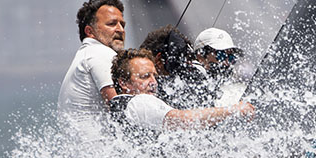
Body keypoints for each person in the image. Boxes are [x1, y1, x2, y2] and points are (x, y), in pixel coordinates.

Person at [108, 48, 254, 133]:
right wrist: (233, 110)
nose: (153, 82)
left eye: (154, 76)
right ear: (124, 83)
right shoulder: (139, 102)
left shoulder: (119, 106)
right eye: (145, 77)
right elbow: (183, 120)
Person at [58, 0, 126, 124]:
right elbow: (117, 106)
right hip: (98, 143)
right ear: (90, 31)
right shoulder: (98, 52)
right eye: (112, 24)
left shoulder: (86, 54)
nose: (121, 30)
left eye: (122, 24)